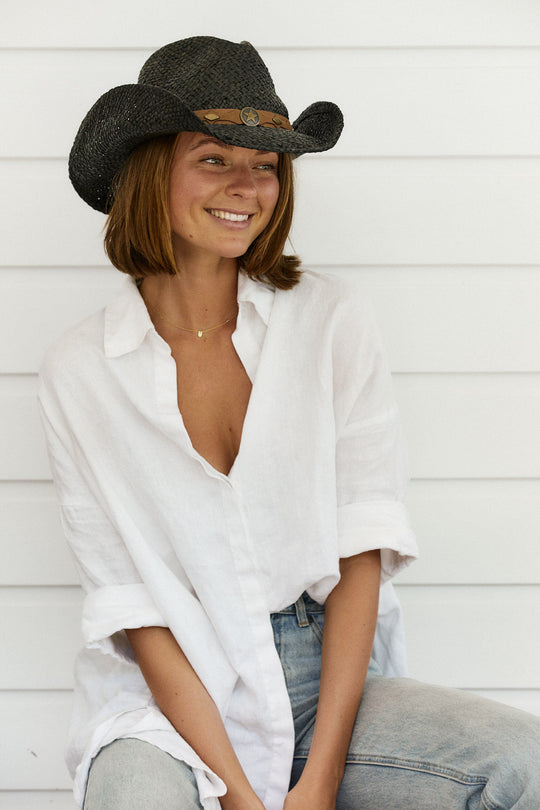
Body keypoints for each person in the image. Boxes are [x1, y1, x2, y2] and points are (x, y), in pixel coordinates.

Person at [38, 36, 540, 810]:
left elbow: (360, 550)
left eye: (266, 165)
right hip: (170, 701)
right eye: (214, 158)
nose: (248, 185)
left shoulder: (332, 323)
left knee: (518, 760)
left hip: (326, 678)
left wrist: (321, 781)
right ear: (150, 170)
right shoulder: (81, 371)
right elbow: (138, 611)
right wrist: (239, 794)